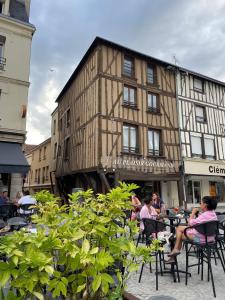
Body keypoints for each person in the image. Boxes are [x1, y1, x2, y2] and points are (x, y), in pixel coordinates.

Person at [166, 196, 218, 263]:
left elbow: (190, 224)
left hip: (201, 240)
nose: (200, 204)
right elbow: (201, 222)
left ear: (205, 205)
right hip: (211, 238)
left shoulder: (204, 215)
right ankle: (174, 255)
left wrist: (193, 213)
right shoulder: (213, 213)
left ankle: (174, 252)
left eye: (201, 203)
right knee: (179, 231)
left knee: (179, 234)